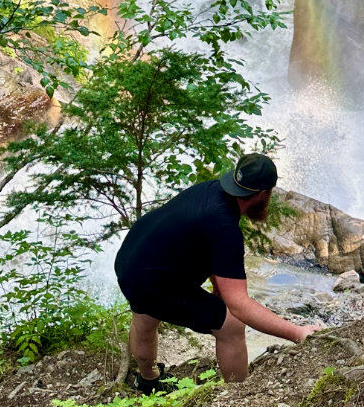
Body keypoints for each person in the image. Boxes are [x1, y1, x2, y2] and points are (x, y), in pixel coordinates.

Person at [114, 152, 322, 390]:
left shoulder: (212, 190)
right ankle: (237, 395)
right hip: (154, 279)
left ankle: (147, 380)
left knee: (145, 315)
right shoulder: (224, 226)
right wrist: (298, 332)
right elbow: (240, 305)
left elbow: (206, 248)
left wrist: (217, 287)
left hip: (131, 260)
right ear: (264, 193)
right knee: (231, 324)